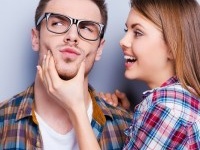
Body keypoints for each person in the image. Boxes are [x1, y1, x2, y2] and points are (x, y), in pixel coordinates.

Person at [39, 0, 200, 149]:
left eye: (138, 32)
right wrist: (134, 119)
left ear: (173, 46)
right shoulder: (174, 103)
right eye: (126, 30)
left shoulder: (167, 108)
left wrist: (75, 107)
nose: (123, 41)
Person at [0, 0, 132, 149]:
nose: (72, 36)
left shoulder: (127, 128)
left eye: (87, 28)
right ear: (35, 38)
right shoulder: (2, 120)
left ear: (99, 49)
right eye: (58, 23)